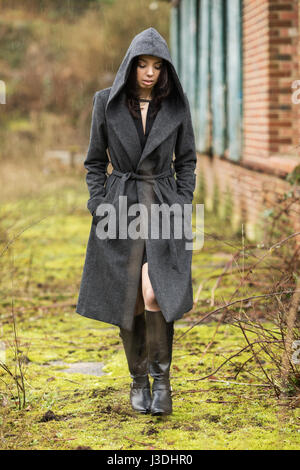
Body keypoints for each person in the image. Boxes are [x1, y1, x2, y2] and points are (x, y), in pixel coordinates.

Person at [76, 27, 197, 416]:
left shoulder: (176, 107)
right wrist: (98, 202)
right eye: (142, 64)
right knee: (129, 300)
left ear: (165, 70)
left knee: (155, 293)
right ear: (130, 66)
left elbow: (188, 161)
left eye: (157, 66)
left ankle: (162, 383)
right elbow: (95, 161)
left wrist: (182, 200)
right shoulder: (105, 104)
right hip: (120, 208)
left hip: (164, 207)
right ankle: (138, 380)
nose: (149, 72)